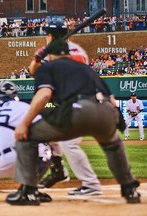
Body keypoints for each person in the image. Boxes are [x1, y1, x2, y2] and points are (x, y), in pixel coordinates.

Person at [6, 38, 141, 206]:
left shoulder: (48, 67)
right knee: (113, 145)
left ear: (51, 56)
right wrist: (118, 121)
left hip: (76, 111)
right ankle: (129, 188)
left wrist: (25, 123)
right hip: (106, 112)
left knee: (27, 137)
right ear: (68, 54)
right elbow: (111, 99)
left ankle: (28, 191)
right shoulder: (86, 68)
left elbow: (44, 96)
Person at [30, 20, 102, 196]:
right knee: (44, 120)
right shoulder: (51, 52)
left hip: (81, 101)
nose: (45, 37)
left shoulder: (72, 51)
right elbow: (33, 70)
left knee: (69, 143)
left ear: (52, 35)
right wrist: (38, 57)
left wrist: (44, 56)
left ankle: (91, 184)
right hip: (60, 103)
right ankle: (58, 169)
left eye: (47, 34)